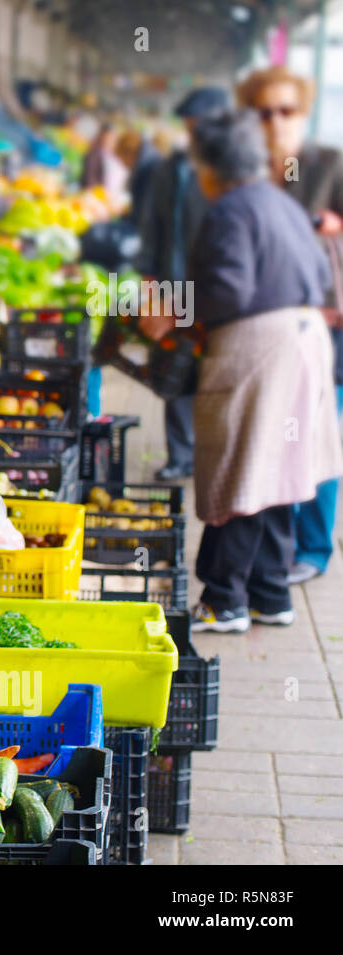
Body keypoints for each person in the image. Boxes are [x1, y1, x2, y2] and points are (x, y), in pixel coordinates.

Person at [140, 110, 341, 633]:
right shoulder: (282, 203)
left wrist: (176, 313)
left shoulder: (230, 209)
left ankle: (224, 598)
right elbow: (321, 275)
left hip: (259, 346)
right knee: (277, 468)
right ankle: (270, 594)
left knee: (239, 465)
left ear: (209, 167)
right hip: (304, 340)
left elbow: (229, 289)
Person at [238, 66, 343, 585]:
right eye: (263, 111)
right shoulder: (246, 170)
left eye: (286, 110)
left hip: (323, 325)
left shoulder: (329, 164)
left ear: (303, 113)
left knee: (317, 436)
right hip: (259, 327)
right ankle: (268, 555)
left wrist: (335, 225)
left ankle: (314, 548)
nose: (275, 121)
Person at [136, 87, 231, 482]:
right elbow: (152, 226)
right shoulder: (168, 168)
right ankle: (180, 455)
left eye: (199, 127)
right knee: (174, 370)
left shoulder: (228, 171)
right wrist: (149, 281)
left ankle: (213, 457)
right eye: (189, 128)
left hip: (211, 288)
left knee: (213, 374)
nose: (192, 135)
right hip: (173, 288)